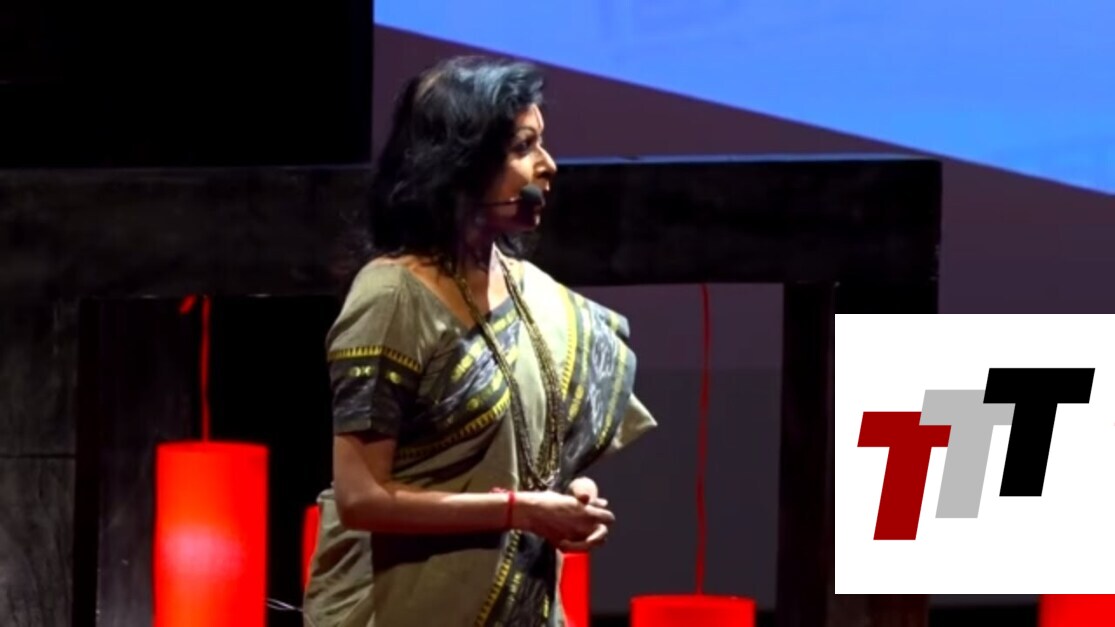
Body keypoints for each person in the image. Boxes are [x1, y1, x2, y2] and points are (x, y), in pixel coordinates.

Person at [303, 55, 657, 627]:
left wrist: (568, 498)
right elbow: (360, 498)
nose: (548, 166)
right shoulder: (393, 297)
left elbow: (529, 459)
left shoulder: (535, 294)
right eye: (523, 147)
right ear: (461, 164)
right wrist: (521, 511)